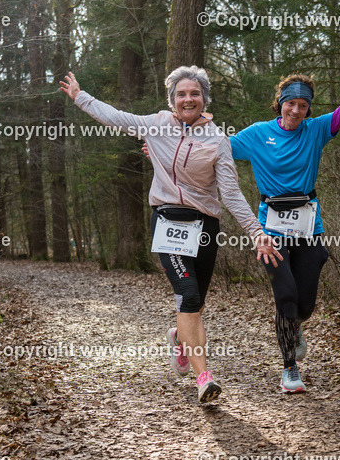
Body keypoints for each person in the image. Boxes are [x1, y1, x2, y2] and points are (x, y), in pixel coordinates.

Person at [60, 67, 282, 403]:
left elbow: (232, 194)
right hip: (167, 221)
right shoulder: (156, 124)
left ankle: (180, 337)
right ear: (172, 99)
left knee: (197, 302)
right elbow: (116, 118)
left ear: (204, 99)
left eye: (194, 93)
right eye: (181, 94)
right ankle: (204, 378)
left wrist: (256, 231)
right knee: (189, 297)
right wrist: (80, 97)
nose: (188, 99)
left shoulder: (218, 141)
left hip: (205, 226)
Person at [231, 40, 340, 392]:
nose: (296, 110)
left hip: (308, 226)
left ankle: (294, 325)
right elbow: (212, 149)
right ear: (280, 103)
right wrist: (164, 145)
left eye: (303, 105)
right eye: (291, 103)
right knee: (286, 295)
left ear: (309, 109)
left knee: (305, 304)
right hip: (271, 227)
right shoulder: (255, 135)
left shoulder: (317, 130)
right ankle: (289, 368)